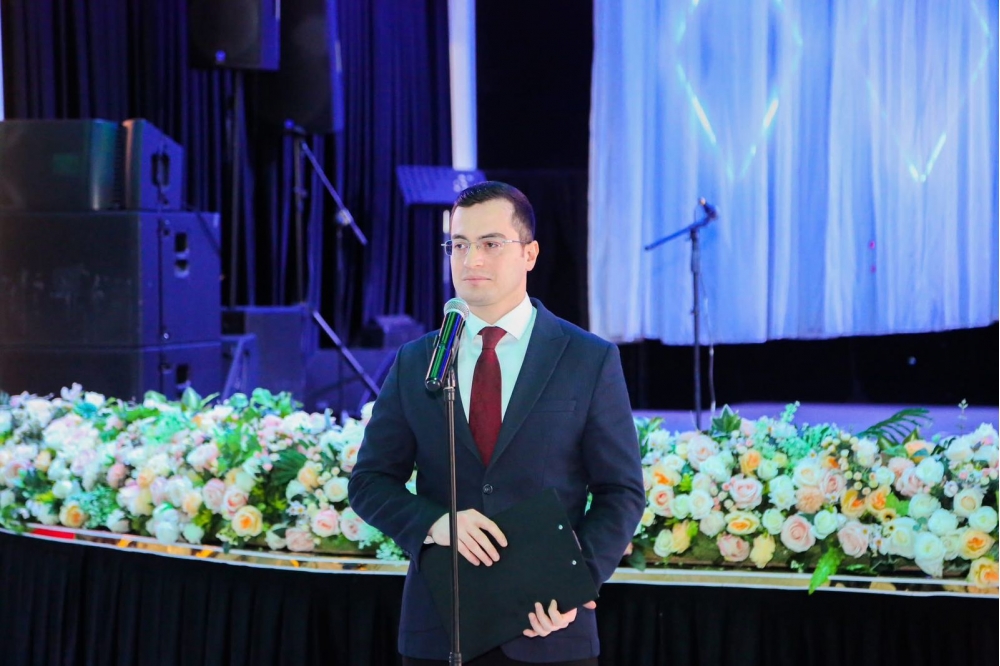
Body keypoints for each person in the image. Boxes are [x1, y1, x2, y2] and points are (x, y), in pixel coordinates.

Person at [348, 181, 644, 665]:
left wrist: (576, 581)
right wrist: (436, 523)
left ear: (529, 254)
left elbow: (621, 491)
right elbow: (370, 482)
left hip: (550, 629)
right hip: (438, 628)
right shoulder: (418, 360)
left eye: (490, 244)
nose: (471, 260)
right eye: (459, 244)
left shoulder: (587, 358)